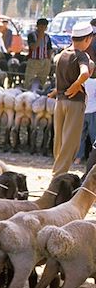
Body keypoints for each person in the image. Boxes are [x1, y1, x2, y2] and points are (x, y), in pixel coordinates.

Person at [49, 22, 94, 177]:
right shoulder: (81, 54)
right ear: (88, 39)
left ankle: (57, 172)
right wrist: (76, 86)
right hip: (75, 103)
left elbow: (62, 78)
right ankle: (58, 177)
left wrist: (57, 91)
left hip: (60, 102)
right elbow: (85, 74)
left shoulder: (61, 54)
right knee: (70, 143)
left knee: (59, 142)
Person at [25, 18, 53, 92]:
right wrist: (40, 38)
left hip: (45, 61)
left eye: (45, 27)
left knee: (42, 80)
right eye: (41, 26)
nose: (43, 29)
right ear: (37, 26)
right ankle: (27, 94)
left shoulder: (47, 37)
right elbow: (33, 47)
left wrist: (49, 60)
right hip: (34, 61)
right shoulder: (31, 35)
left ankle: (39, 93)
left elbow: (49, 49)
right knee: (29, 80)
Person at [75, 75, 96, 165]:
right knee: (94, 136)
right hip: (93, 110)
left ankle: (78, 158)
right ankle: (93, 159)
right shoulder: (95, 82)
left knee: (80, 136)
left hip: (82, 110)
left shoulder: (81, 81)